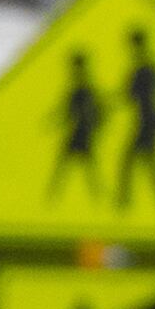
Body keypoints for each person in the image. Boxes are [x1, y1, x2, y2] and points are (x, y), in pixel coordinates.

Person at [116, 27, 155, 214]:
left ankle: (124, 203)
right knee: (147, 164)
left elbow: (133, 94)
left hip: (148, 122)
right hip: (147, 122)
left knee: (136, 163)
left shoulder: (145, 69)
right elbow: (130, 95)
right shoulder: (144, 67)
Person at [49, 48, 106, 203]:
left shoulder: (85, 89)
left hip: (82, 132)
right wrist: (54, 121)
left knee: (83, 167)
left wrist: (94, 129)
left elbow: (97, 112)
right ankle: (54, 197)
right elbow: (67, 110)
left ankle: (98, 198)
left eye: (75, 66)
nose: (72, 71)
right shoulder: (76, 88)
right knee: (70, 165)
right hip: (77, 131)